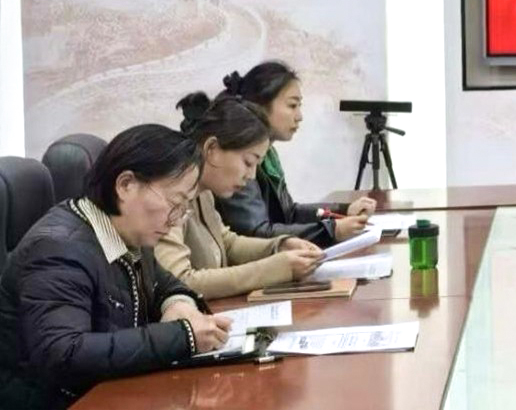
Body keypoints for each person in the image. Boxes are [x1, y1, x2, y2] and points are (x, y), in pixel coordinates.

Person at [0, 125, 233, 409]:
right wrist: (182, 335)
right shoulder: (58, 249)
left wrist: (177, 303)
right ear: (125, 185)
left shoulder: (128, 232)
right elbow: (65, 353)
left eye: (184, 208)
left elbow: (165, 283)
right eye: (175, 202)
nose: (176, 219)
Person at [155, 92, 326, 299]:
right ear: (211, 148)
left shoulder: (204, 191)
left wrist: (279, 246)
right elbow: (181, 281)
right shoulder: (170, 194)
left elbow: (227, 243)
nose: (251, 176)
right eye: (248, 162)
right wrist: (275, 269)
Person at [214, 62, 375, 247]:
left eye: (299, 106)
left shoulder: (269, 154)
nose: (299, 116)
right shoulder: (239, 158)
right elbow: (257, 233)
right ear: (261, 105)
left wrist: (345, 211)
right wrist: (332, 230)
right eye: (292, 105)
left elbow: (288, 213)